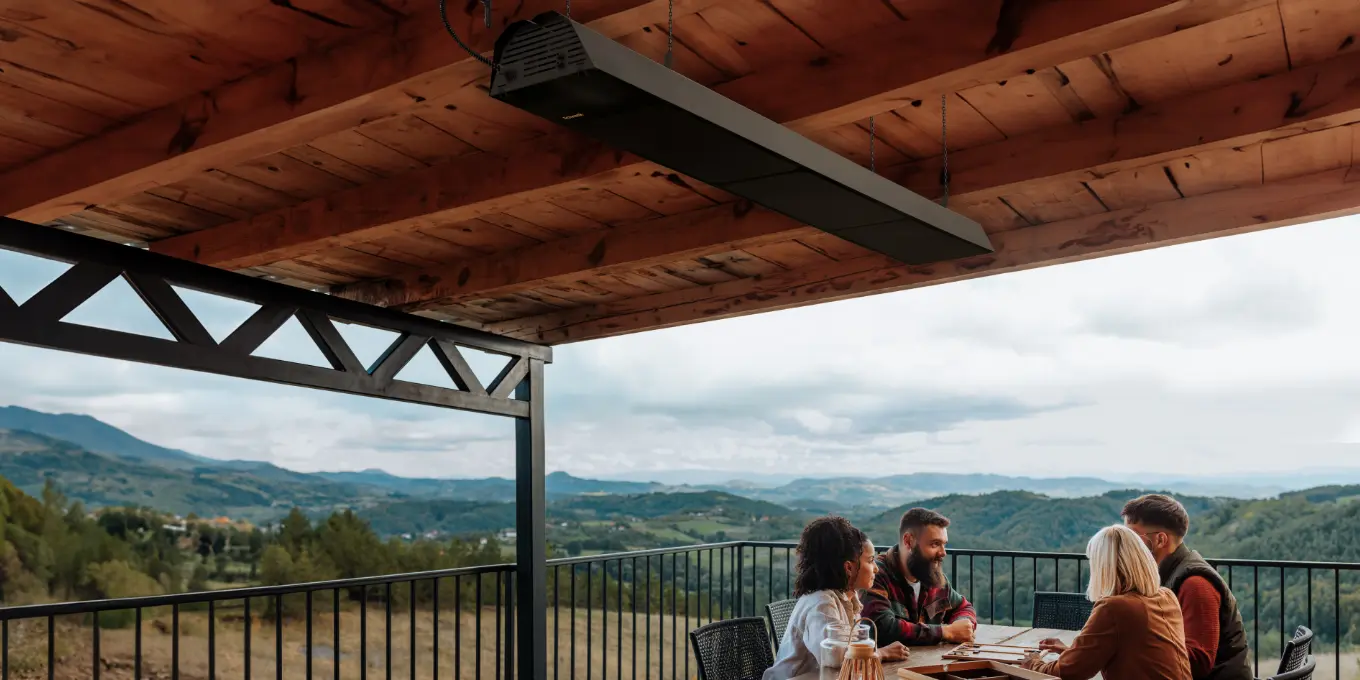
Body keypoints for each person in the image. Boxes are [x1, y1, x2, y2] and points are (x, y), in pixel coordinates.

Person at [1022, 525, 1191, 680]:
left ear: (1103, 567)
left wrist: (1033, 664)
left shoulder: (1114, 608)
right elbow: (1139, 654)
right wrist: (1071, 652)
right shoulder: (1167, 596)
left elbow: (1069, 673)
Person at [1123, 494, 1252, 680]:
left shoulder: (1196, 584)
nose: (1126, 545)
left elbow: (1198, 662)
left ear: (1160, 540)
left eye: (1133, 538)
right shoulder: (1170, 573)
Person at [763, 516, 908, 680]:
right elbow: (835, 657)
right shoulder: (821, 603)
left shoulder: (847, 599)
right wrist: (881, 653)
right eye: (870, 561)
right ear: (849, 568)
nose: (876, 569)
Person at [861, 508, 977, 646]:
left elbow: (963, 607)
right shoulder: (876, 575)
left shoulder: (933, 578)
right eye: (935, 544)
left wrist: (962, 625)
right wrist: (946, 632)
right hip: (887, 661)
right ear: (908, 541)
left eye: (944, 544)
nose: (943, 553)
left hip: (930, 659)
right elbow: (880, 628)